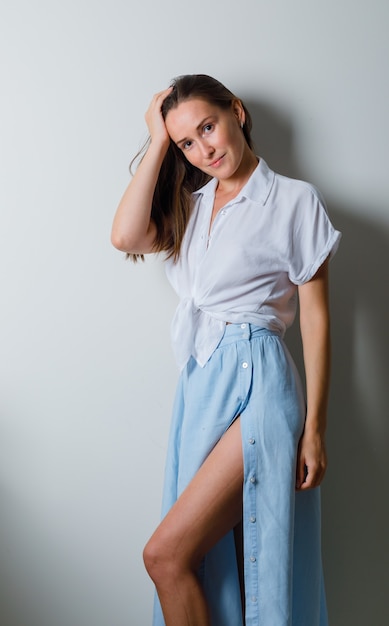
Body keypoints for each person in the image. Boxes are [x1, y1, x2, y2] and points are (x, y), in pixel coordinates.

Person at [111, 74, 341, 626]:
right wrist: (158, 137)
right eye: (187, 142)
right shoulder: (190, 205)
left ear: (236, 112)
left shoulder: (294, 199)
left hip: (259, 376)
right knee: (214, 564)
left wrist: (315, 429)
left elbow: (316, 317)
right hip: (202, 385)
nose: (204, 149)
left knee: (166, 554)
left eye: (207, 127)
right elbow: (125, 236)